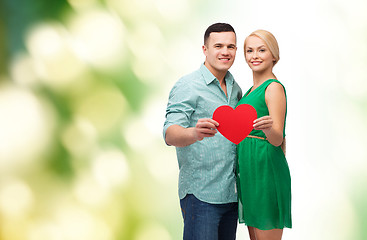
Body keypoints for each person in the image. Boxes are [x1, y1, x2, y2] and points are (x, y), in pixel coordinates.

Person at [163, 23, 242, 240]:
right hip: (201, 195)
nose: (225, 52)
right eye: (218, 46)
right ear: (205, 49)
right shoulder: (188, 85)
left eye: (231, 46)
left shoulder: (235, 88)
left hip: (231, 195)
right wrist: (195, 133)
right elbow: (170, 133)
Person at [236, 30, 292, 240]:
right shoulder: (250, 91)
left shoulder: (273, 88)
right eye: (249, 50)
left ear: (273, 56)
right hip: (250, 171)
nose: (255, 55)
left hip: (265, 171)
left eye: (261, 50)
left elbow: (278, 139)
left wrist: (268, 128)